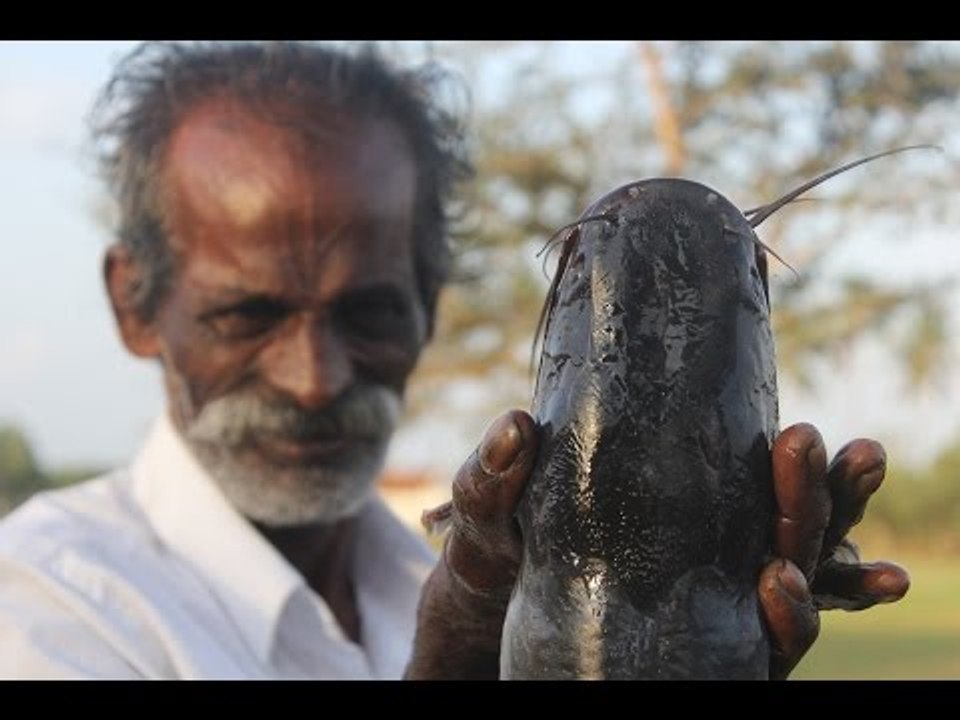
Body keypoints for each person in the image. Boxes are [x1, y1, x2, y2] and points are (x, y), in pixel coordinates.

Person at [0, 41, 909, 680]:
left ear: (429, 298)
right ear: (133, 302)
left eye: (369, 312)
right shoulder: (42, 612)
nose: (315, 377)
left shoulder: (441, 573)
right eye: (249, 314)